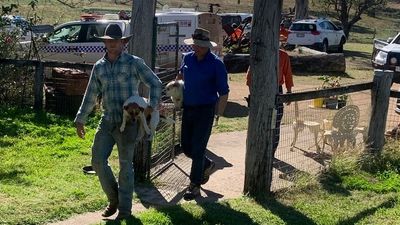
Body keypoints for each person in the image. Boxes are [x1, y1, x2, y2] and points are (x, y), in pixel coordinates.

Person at [74, 24, 162, 220]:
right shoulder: (99, 66)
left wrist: (152, 106)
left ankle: (125, 211)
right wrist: (81, 118)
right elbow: (91, 94)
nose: (111, 45)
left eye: (115, 41)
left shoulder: (133, 63)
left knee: (125, 166)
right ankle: (114, 199)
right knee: (97, 161)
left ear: (123, 43)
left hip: (128, 123)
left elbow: (155, 82)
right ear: (104, 43)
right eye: (108, 42)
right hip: (107, 121)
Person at [177, 28, 229, 201]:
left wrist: (218, 114)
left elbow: (223, 92)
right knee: (186, 147)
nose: (196, 48)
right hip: (188, 108)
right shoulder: (187, 58)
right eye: (195, 45)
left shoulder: (216, 64)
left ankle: (194, 186)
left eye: (200, 45)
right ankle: (207, 164)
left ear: (207, 46)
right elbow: (181, 77)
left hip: (205, 110)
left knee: (198, 149)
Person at [246, 37, 293, 154]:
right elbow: (249, 77)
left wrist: (289, 91)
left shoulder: (283, 56)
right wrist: (253, 94)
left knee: (275, 122)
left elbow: (288, 74)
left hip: (277, 89)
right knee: (259, 121)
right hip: (260, 90)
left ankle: (271, 151)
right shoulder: (260, 55)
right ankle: (258, 150)